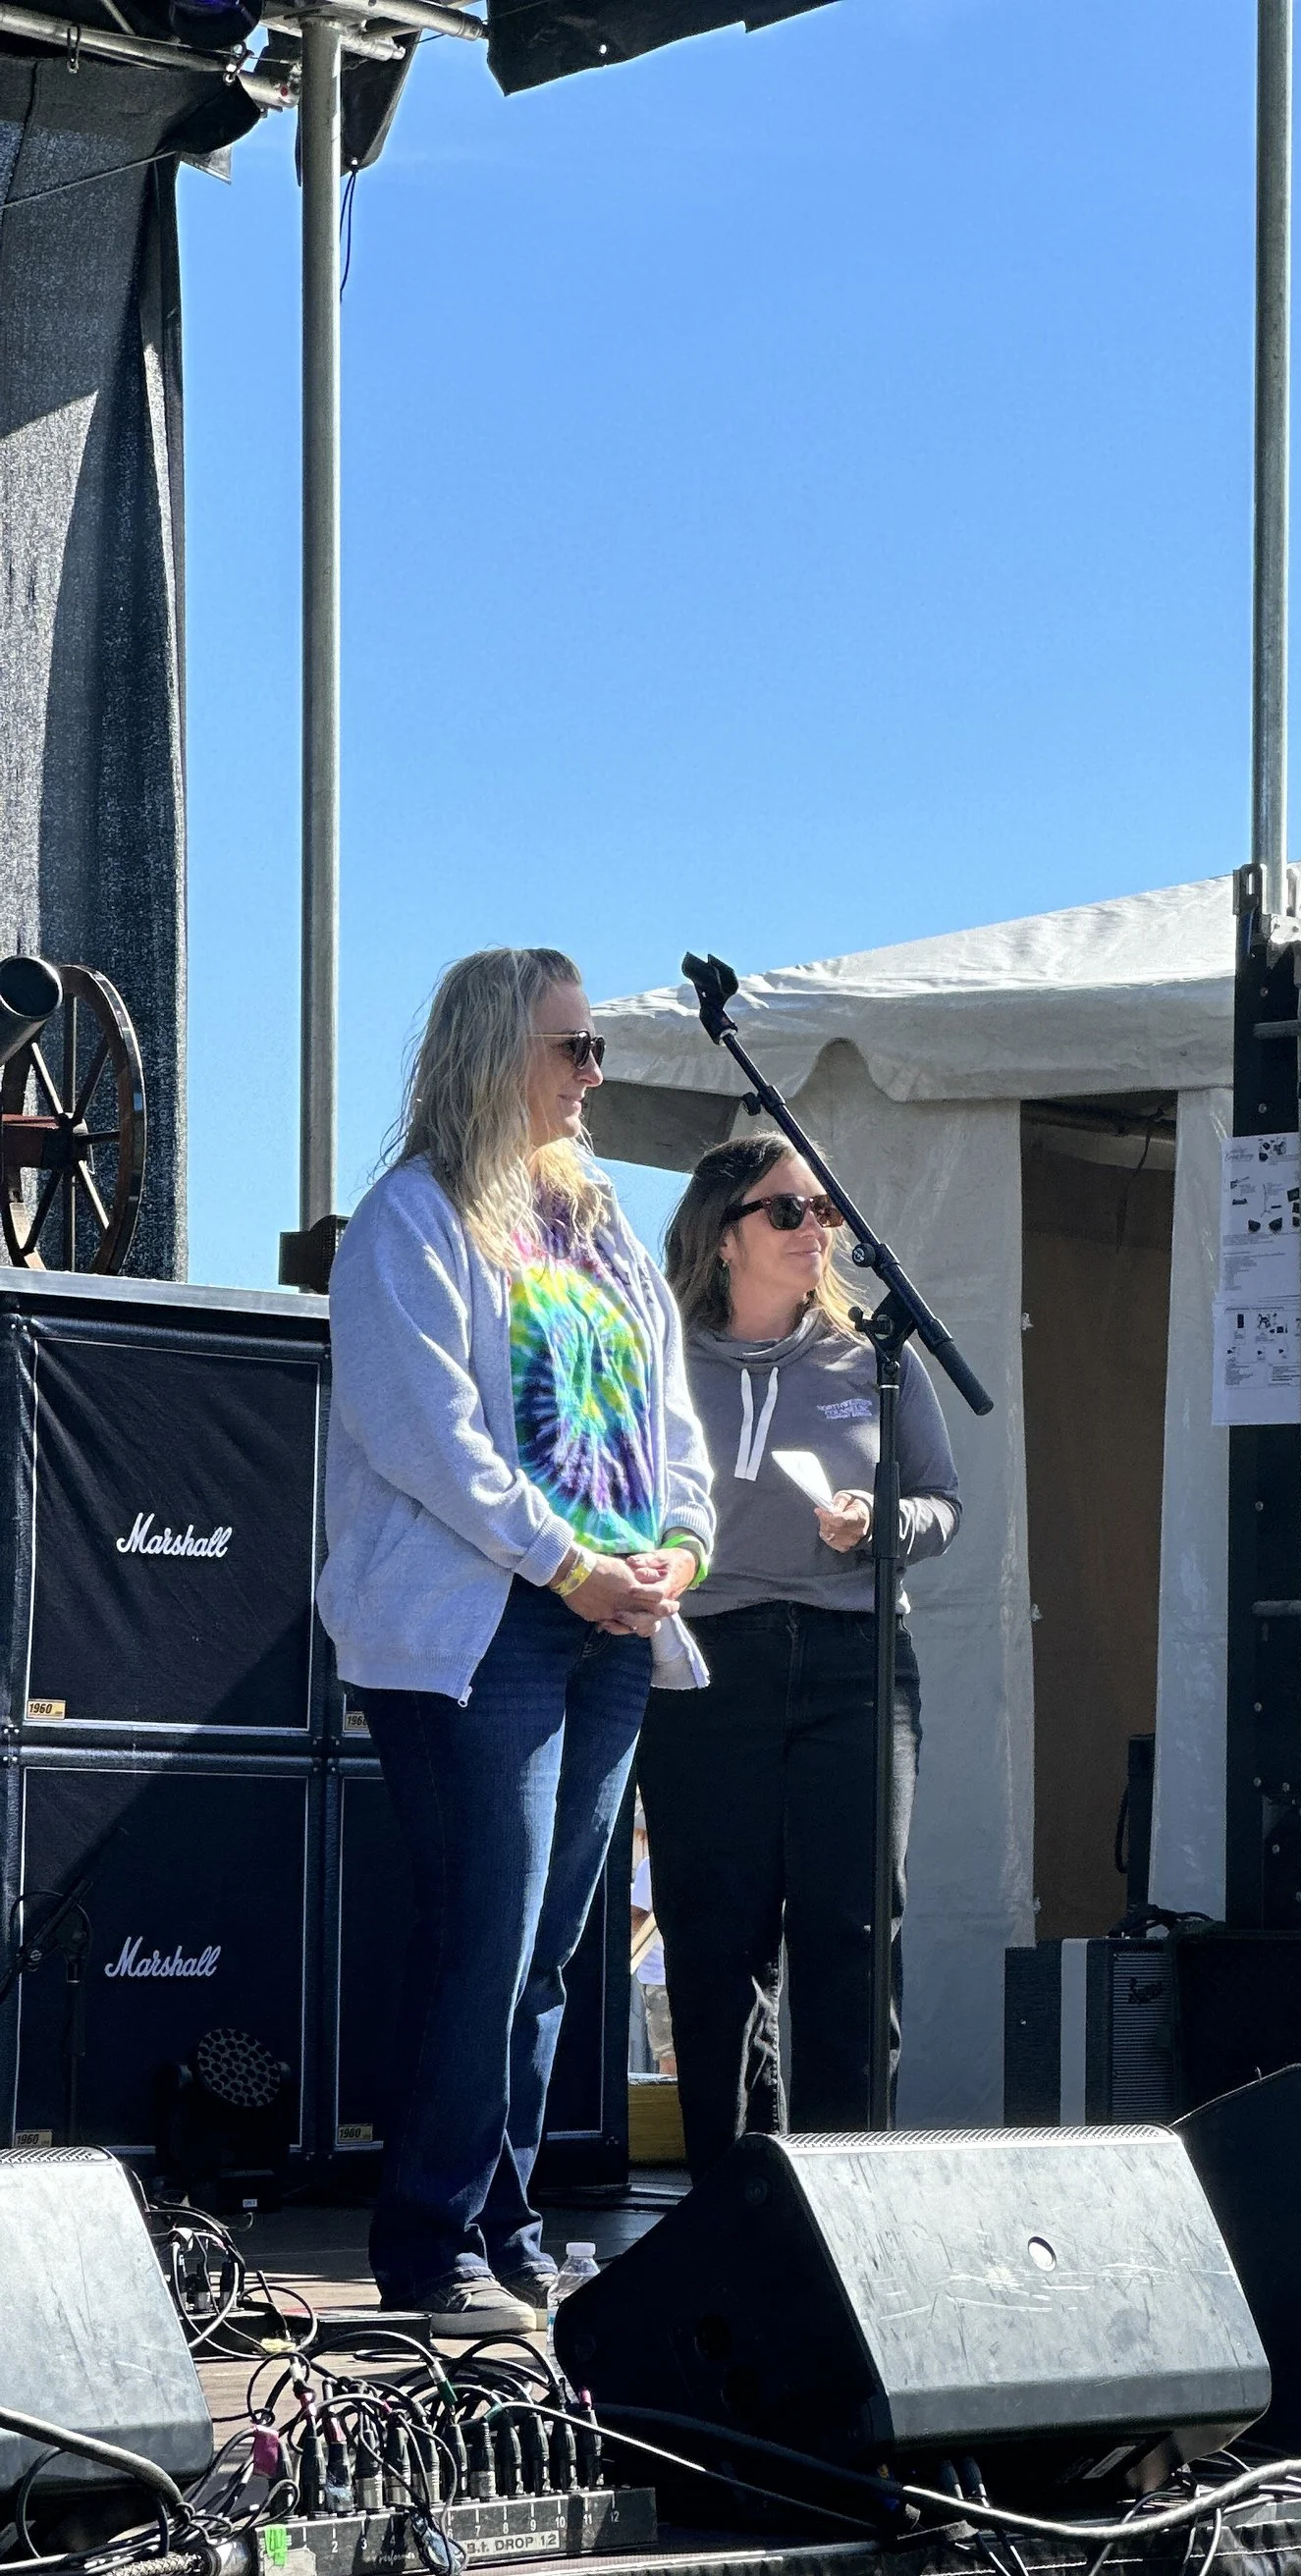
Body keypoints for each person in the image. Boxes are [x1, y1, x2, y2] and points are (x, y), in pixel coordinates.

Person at [319, 946, 715, 2334]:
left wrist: (677, 1548)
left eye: (597, 1045)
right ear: (497, 1054)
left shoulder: (603, 1229)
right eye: (574, 1046)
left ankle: (507, 2219)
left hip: (607, 1629)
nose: (595, 1072)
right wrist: (567, 1562)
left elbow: (673, 1423)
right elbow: (425, 1433)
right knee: (484, 1935)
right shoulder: (410, 1223)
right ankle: (431, 2244)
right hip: (481, 1632)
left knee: (549, 1952)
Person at [637, 1131, 961, 2166]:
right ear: (722, 1237)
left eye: (825, 1211)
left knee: (854, 1934)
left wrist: (883, 1525)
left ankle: (850, 2192)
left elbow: (946, 1505)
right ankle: (732, 2194)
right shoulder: (660, 1359)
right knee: (714, 1935)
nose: (816, 1229)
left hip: (854, 1666)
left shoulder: (872, 1354)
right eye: (788, 1211)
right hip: (706, 1663)